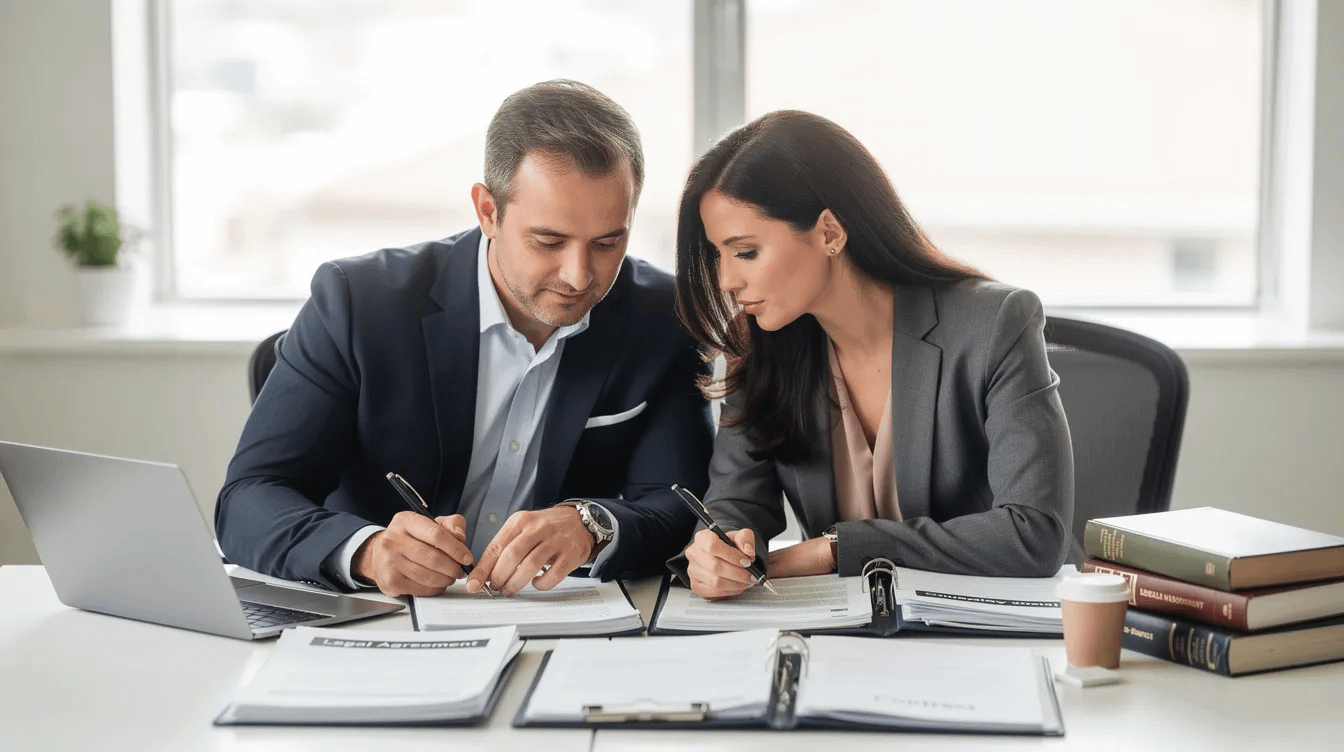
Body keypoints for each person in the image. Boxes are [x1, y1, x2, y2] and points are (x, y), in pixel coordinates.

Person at [216, 80, 714, 598]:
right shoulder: (358, 304)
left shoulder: (664, 316)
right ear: (487, 211)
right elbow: (249, 500)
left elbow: (682, 503)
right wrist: (367, 551)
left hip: (561, 622)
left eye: (609, 242)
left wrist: (594, 524)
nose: (579, 275)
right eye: (549, 241)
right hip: (386, 619)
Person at [669, 110, 1074, 599]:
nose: (726, 281)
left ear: (829, 233)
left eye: (746, 252)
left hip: (980, 634)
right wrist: (720, 550)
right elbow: (736, 503)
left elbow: (1034, 536)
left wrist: (838, 549)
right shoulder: (759, 349)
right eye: (717, 254)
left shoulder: (995, 324)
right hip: (842, 636)